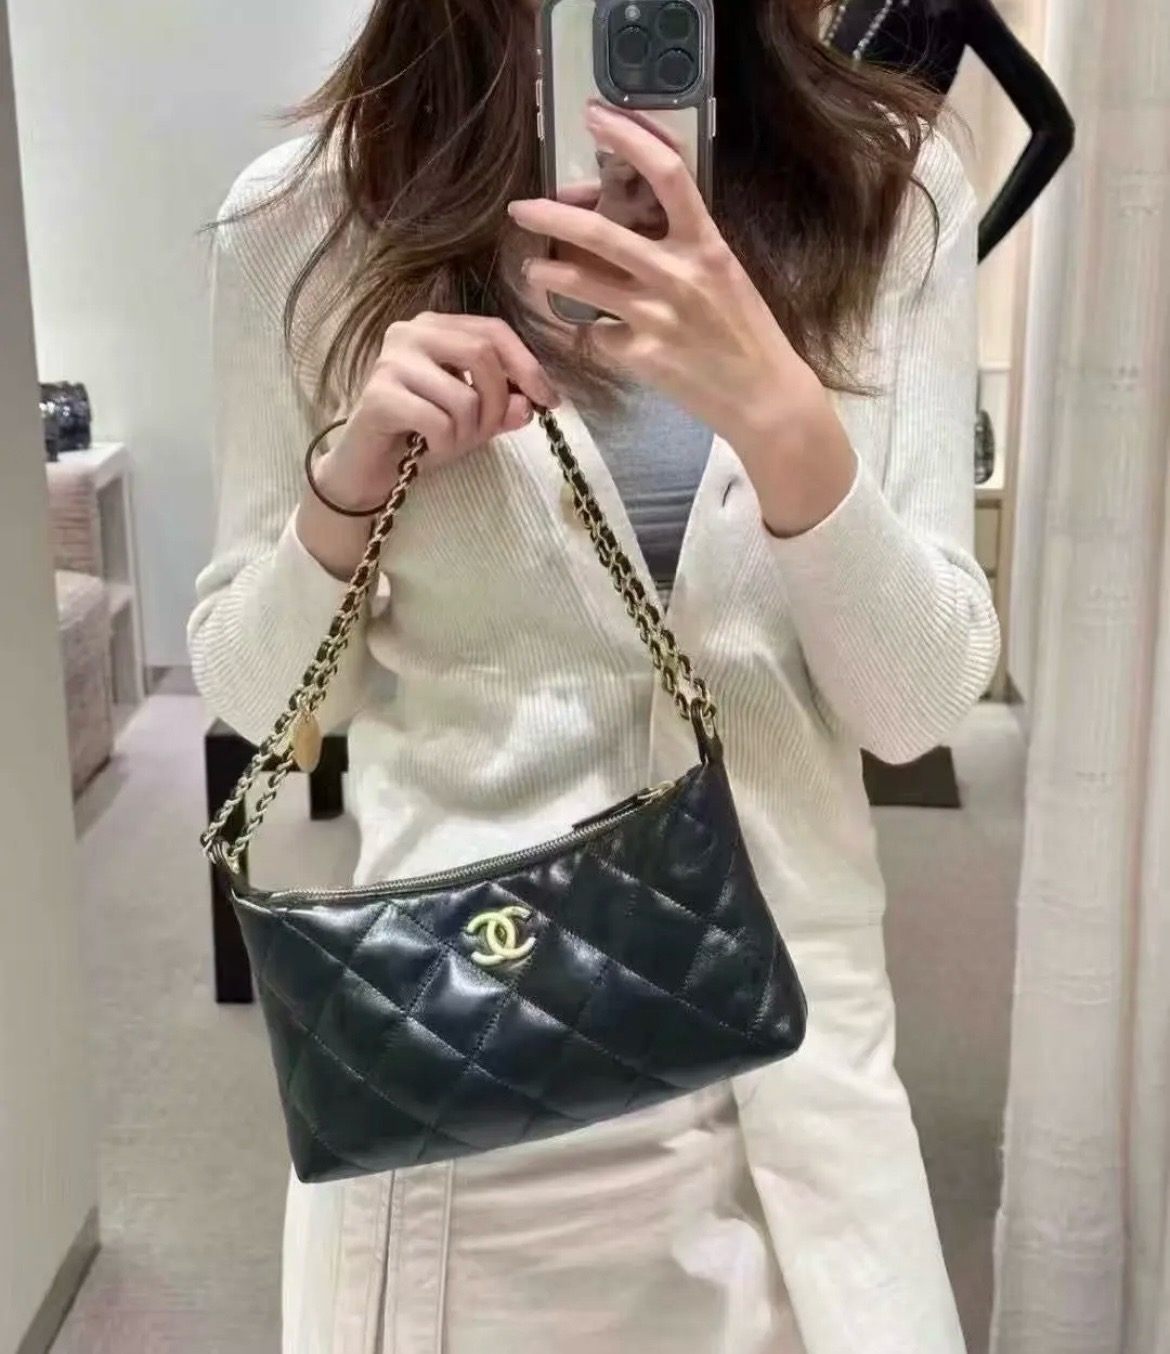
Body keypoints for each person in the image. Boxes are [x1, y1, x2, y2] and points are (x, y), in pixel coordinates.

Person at [189, 0, 1000, 1350]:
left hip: (791, 1091)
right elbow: (264, 702)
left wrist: (780, 417)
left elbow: (911, 709)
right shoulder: (314, 215)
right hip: (466, 1069)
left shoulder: (882, 189)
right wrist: (350, 482)